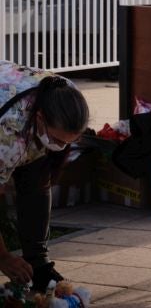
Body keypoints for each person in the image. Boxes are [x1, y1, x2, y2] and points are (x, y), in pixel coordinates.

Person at [0, 61, 90, 292]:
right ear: (40, 118)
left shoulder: (68, 96)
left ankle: (38, 264)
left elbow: (39, 179)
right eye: (58, 140)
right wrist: (4, 258)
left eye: (68, 141)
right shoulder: (8, 135)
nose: (61, 147)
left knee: (37, 179)